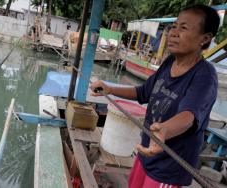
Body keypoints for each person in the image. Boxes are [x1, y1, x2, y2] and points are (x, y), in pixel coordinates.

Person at [90, 4, 220, 187]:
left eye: (183, 28)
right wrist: (110, 89)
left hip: (168, 167)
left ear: (205, 38)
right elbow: (143, 92)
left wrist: (165, 129)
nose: (174, 33)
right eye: (174, 26)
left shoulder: (205, 75)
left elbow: (189, 116)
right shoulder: (169, 63)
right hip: (146, 153)